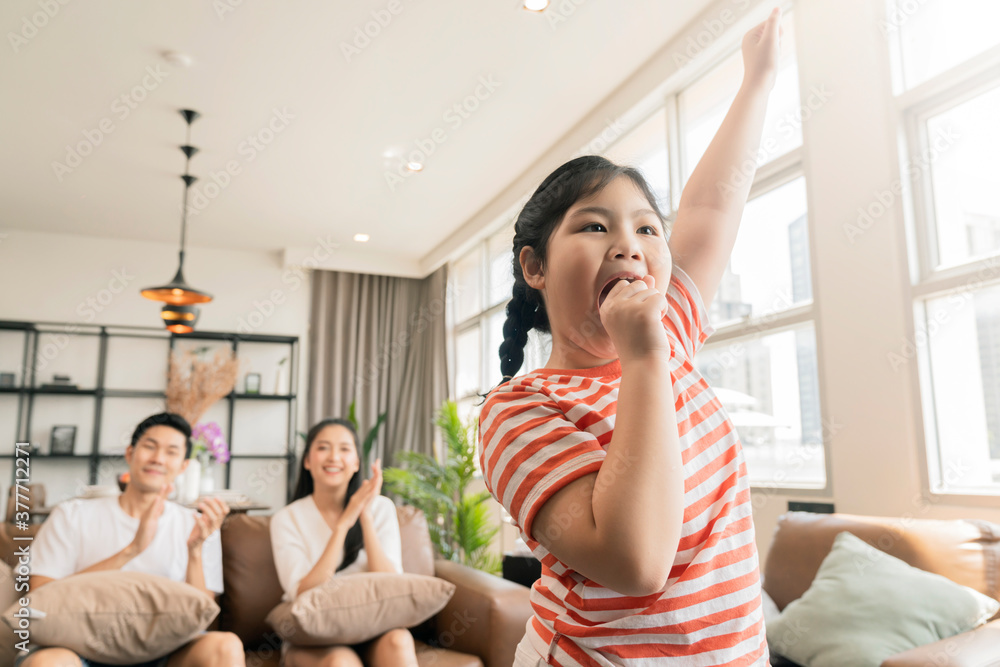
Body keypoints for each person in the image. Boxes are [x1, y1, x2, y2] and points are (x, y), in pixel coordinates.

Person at [479, 9, 784, 666]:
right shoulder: (516, 411)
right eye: (594, 227)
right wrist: (644, 357)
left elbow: (709, 207)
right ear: (535, 266)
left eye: (648, 229)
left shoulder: (668, 331)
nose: (630, 244)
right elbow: (637, 559)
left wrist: (757, 81)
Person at [19, 412, 245, 667]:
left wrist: (194, 550)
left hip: (163, 650)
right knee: (49, 663)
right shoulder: (71, 514)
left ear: (183, 465)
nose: (158, 458)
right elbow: (40, 598)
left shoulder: (199, 526)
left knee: (226, 646)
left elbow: (200, 615)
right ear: (129, 453)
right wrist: (132, 549)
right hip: (77, 647)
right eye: (150, 446)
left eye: (171, 452)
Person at [269, 418, 417, 667]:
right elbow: (303, 591)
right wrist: (343, 525)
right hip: (315, 635)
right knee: (340, 662)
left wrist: (365, 516)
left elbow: (392, 583)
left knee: (399, 642)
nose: (334, 457)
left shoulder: (382, 508)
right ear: (307, 460)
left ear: (357, 462)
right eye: (323, 447)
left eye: (345, 449)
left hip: (374, 627)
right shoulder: (286, 519)